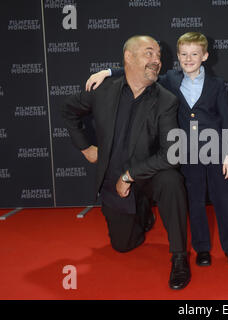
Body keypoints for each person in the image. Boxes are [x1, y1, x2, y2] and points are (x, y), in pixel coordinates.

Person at [86, 32, 228, 267]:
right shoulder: (169, 79)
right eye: (184, 54)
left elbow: (227, 120)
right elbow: (135, 72)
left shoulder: (217, 85)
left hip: (216, 151)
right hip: (187, 155)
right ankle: (202, 249)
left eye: (194, 54)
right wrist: (107, 72)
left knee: (223, 200)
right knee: (195, 203)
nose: (188, 59)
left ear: (205, 56)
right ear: (178, 56)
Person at [61, 35, 191, 290]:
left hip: (147, 174)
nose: (156, 60)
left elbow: (171, 154)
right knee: (123, 246)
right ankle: (142, 212)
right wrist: (85, 147)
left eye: (158, 56)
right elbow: (67, 109)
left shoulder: (166, 100)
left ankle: (179, 257)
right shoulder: (103, 91)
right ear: (128, 58)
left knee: (172, 181)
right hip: (113, 178)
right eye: (148, 53)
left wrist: (129, 175)